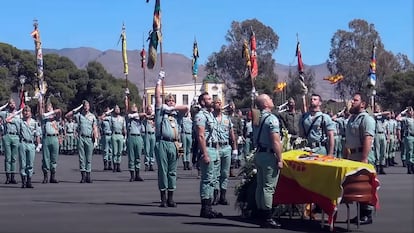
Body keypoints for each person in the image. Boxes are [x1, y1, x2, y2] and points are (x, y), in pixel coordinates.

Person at [154, 71, 188, 207]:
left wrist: (172, 107)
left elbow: (186, 108)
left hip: (175, 144)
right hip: (162, 142)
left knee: (173, 171)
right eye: (168, 100)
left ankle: (171, 197)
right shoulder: (160, 113)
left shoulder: (176, 114)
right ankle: (163, 197)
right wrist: (159, 80)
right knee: (163, 170)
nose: (170, 102)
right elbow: (157, 97)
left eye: (172, 100)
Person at [344, 92, 375, 225]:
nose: (352, 102)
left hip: (362, 156)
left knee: (364, 186)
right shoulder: (351, 119)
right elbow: (348, 140)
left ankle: (367, 214)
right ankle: (359, 214)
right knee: (356, 187)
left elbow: (368, 138)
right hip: (352, 156)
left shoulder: (366, 119)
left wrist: (364, 158)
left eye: (355, 100)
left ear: (363, 104)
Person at [252, 94, 283, 228]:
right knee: (268, 187)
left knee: (260, 184)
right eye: (270, 99)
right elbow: (275, 141)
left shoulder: (257, 118)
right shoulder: (272, 119)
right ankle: (267, 217)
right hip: (269, 155)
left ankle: (260, 213)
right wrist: (280, 158)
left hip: (259, 153)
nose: (272, 100)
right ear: (265, 103)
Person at [195, 92, 223, 218]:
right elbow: (201, 135)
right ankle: (205, 208)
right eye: (208, 99)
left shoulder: (210, 115)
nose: (211, 100)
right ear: (202, 102)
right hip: (208, 149)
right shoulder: (201, 116)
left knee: (213, 179)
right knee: (206, 179)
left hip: (215, 149)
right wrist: (204, 153)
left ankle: (210, 207)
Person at [211, 97, 237, 206]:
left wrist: (235, 148)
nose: (219, 105)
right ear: (213, 105)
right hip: (216, 147)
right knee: (215, 173)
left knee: (225, 173)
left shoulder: (227, 119)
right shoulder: (210, 118)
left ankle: (223, 196)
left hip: (226, 147)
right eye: (217, 103)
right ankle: (216, 195)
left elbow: (232, 134)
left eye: (220, 103)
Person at [66, 100, 99, 183]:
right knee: (81, 158)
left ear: (89, 107)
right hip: (81, 138)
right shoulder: (79, 115)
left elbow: (95, 128)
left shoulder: (92, 117)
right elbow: (67, 115)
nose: (86, 107)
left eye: (87, 105)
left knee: (89, 158)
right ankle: (83, 176)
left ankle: (88, 175)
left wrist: (96, 140)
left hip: (89, 138)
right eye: (84, 106)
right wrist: (78, 108)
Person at [17, 106, 41, 188]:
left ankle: (29, 181)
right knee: (23, 163)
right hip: (23, 143)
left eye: (27, 111)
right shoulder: (20, 122)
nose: (26, 112)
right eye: (24, 111)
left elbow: (37, 134)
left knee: (30, 163)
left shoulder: (34, 123)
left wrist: (38, 144)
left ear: (30, 113)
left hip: (31, 144)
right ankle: (23, 181)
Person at [40, 102, 62, 184]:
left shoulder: (56, 118)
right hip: (46, 138)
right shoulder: (44, 117)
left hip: (55, 138)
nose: (48, 108)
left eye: (50, 107)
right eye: (47, 107)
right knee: (45, 158)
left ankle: (53, 177)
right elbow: (40, 113)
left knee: (54, 158)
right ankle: (45, 176)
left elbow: (59, 111)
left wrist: (51, 112)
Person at [0, 99, 20, 184]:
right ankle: (8, 177)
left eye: (14, 103)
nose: (13, 104)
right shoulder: (5, 113)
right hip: (7, 135)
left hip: (15, 136)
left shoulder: (18, 114)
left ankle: (13, 177)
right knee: (8, 158)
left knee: (14, 158)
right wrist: (5, 105)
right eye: (11, 103)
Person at [125, 102, 145, 182]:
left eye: (135, 106)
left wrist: (136, 115)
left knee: (138, 157)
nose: (133, 108)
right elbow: (127, 112)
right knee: (131, 157)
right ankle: (132, 175)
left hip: (138, 137)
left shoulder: (138, 117)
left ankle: (137, 174)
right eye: (132, 107)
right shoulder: (128, 117)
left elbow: (143, 114)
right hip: (131, 137)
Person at [396, 107, 414, 174]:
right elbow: (397, 118)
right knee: (409, 152)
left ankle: (413, 166)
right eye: (409, 111)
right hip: (409, 137)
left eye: (411, 111)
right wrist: (404, 111)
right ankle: (409, 167)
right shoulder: (406, 119)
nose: (411, 112)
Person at [142, 105, 156, 171]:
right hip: (147, 134)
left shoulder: (154, 117)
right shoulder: (145, 117)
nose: (150, 110)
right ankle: (147, 163)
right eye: (148, 109)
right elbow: (144, 114)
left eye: (151, 109)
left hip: (153, 134)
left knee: (152, 150)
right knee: (147, 150)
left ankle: (151, 164)